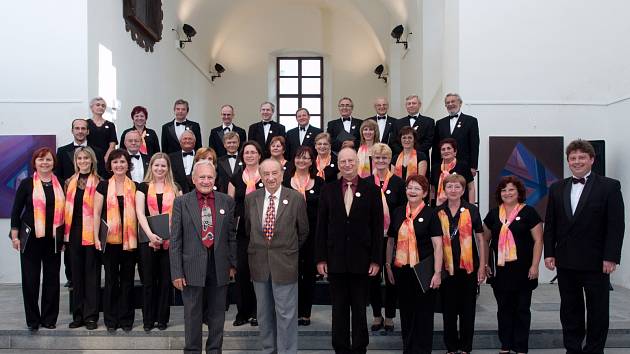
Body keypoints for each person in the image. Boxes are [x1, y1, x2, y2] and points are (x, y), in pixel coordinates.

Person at [544, 139, 625, 354]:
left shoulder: (609, 186)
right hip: (566, 260)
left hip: (596, 262)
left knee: (598, 311)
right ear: (568, 161)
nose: (577, 161)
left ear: (591, 159)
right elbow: (551, 223)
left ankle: (594, 350)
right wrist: (549, 253)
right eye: (573, 158)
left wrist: (611, 257)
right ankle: (572, 349)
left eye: (581, 157)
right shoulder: (557, 187)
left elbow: (616, 225)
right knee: (570, 310)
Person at [316, 147, 383, 354]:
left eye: (350, 161)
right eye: (343, 161)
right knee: (339, 310)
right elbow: (321, 227)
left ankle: (360, 348)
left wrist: (376, 260)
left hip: (362, 261)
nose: (346, 165)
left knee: (360, 310)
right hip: (335, 260)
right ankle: (341, 348)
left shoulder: (371, 189)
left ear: (358, 163)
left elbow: (377, 227)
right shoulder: (328, 189)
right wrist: (320, 259)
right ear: (339, 164)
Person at [170, 160, 237, 354]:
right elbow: (175, 240)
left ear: (215, 179)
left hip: (219, 266)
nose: (206, 181)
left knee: (217, 315)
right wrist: (176, 272)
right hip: (191, 267)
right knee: (192, 314)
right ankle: (192, 350)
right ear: (193, 179)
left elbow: (231, 236)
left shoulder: (227, 201)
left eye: (210, 177)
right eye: (202, 177)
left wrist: (233, 264)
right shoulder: (181, 202)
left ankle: (215, 350)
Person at [245, 159, 308, 354]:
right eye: (266, 174)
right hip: (259, 264)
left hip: (285, 264)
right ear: (260, 176)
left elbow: (303, 231)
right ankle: (268, 350)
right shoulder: (251, 199)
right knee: (264, 313)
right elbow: (248, 230)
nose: (271, 178)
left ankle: (287, 351)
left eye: (275, 173)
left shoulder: (296, 198)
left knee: (286, 314)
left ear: (282, 174)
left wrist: (286, 250)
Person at [483, 176, 543, 354]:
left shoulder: (529, 212)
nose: (507, 193)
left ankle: (521, 346)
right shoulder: (494, 214)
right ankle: (506, 345)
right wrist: (486, 263)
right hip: (500, 272)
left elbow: (538, 240)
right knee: (504, 309)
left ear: (519, 193)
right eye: (503, 190)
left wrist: (535, 266)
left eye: (511, 190)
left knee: (522, 309)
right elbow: (485, 240)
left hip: (524, 270)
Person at [385, 174, 443, 354]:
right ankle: (408, 348)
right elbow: (390, 241)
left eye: (417, 188)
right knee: (406, 312)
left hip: (424, 270)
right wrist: (388, 265)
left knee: (424, 314)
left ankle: (423, 349)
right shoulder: (398, 211)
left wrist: (437, 272)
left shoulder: (431, 214)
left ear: (425, 193)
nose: (412, 191)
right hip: (402, 269)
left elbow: (438, 244)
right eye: (409, 187)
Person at [10, 147, 65, 332]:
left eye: (48, 159)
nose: (45, 163)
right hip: (30, 239)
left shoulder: (61, 184)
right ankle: (33, 320)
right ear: (35, 162)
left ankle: (49, 319)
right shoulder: (27, 184)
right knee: (30, 280)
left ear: (53, 163)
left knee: (52, 280)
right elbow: (16, 210)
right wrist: (15, 235)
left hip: (53, 239)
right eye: (41, 160)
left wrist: (64, 238)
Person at [436, 174, 487, 354]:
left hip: (469, 268)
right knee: (448, 311)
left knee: (468, 310)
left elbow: (481, 239)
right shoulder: (438, 211)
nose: (453, 190)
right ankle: (451, 347)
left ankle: (465, 347)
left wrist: (482, 265)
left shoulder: (471, 210)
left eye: (457, 187)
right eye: (449, 186)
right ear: (444, 189)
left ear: (463, 190)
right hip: (446, 268)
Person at [93, 149, 138, 333]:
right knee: (111, 280)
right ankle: (111, 319)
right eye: (115, 162)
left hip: (129, 241)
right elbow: (96, 213)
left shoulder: (135, 186)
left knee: (128, 281)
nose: (119, 165)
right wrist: (96, 237)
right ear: (110, 166)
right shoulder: (103, 186)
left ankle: (126, 319)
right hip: (109, 242)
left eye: (122, 162)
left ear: (128, 164)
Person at [135, 153, 181, 332]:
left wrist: (171, 235)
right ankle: (148, 319)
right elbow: (139, 213)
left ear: (168, 168)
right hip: (147, 241)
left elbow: (179, 216)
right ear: (151, 167)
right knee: (148, 282)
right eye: (156, 166)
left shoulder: (176, 188)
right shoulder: (142, 187)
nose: (160, 169)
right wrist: (151, 235)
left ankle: (162, 319)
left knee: (164, 282)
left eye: (163, 166)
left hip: (170, 243)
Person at [282, 146, 325, 326]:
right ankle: (291, 311)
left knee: (308, 274)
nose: (302, 161)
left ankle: (305, 313)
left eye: (306, 158)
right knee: (290, 274)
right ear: (294, 159)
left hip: (312, 234)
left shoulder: (320, 182)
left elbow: (323, 211)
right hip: (289, 234)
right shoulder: (285, 181)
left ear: (312, 161)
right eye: (299, 157)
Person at [365, 143, 405, 333]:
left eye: (384, 158)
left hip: (392, 239)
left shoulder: (398, 183)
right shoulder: (365, 182)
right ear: (372, 159)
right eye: (377, 158)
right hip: (371, 239)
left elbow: (403, 211)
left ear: (390, 160)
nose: (381, 161)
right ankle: (376, 315)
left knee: (391, 278)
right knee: (372, 278)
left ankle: (389, 316)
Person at [227, 141, 265, 327]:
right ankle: (243, 311)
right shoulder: (235, 178)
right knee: (242, 271)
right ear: (242, 156)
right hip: (241, 231)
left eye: (253, 152)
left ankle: (259, 311)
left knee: (259, 272)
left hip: (263, 230)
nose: (250, 155)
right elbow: (229, 205)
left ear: (259, 155)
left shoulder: (267, 176)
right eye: (246, 152)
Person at [63, 147, 101, 331]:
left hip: (92, 232)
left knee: (92, 275)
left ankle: (91, 316)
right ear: (75, 161)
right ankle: (78, 315)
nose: (83, 161)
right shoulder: (69, 182)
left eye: (86, 158)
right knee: (76, 275)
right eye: (80, 158)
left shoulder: (100, 182)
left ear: (92, 160)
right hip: (73, 233)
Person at [433, 93, 479, 176]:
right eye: (447, 102)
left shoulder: (471, 121)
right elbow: (436, 147)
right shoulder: (440, 123)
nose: (450, 104)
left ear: (460, 103)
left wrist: (473, 166)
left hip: (464, 165)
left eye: (453, 101)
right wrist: (434, 166)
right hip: (444, 166)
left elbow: (474, 145)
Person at [56, 118, 107, 185]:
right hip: (68, 192)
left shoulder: (98, 152)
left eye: (83, 128)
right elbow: (57, 175)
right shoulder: (61, 151)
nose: (80, 131)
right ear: (72, 131)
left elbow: (102, 174)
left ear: (88, 131)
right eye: (77, 128)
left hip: (93, 192)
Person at [431, 138, 475, 206]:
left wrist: (471, 207)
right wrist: (431, 206)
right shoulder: (435, 168)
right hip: (439, 208)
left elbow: (471, 188)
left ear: (455, 152)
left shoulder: (463, 166)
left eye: (449, 148)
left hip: (461, 207)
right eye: (443, 149)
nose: (446, 151)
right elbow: (433, 191)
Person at [392, 95, 434, 165]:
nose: (411, 105)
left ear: (419, 105)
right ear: (406, 106)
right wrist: (405, 153)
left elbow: (429, 141)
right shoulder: (398, 122)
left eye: (414, 103)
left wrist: (414, 154)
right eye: (409, 103)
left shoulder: (429, 121)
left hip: (421, 159)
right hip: (401, 159)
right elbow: (393, 141)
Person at [86, 97, 117, 163]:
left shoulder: (110, 125)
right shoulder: (86, 123)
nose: (101, 107)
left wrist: (107, 157)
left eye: (103, 106)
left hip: (106, 158)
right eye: (98, 105)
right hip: (89, 157)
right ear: (91, 107)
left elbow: (112, 144)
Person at [169, 130, 197, 194]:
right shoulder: (171, 158)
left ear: (194, 142)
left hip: (197, 194)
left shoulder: (201, 156)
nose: (187, 141)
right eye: (185, 139)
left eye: (190, 139)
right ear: (180, 142)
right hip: (177, 193)